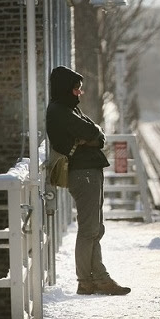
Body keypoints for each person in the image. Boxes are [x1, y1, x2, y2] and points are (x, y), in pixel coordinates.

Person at [46, 66, 131, 296]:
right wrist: (89, 137)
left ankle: (97, 278)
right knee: (89, 228)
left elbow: (97, 135)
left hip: (88, 171)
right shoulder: (60, 111)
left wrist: (90, 137)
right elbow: (90, 132)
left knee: (95, 227)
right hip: (82, 173)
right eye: (76, 88)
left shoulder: (69, 108)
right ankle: (87, 279)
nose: (79, 92)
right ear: (66, 88)